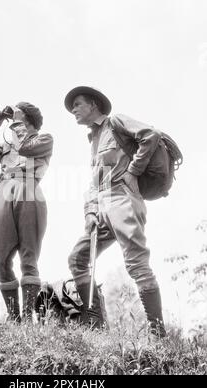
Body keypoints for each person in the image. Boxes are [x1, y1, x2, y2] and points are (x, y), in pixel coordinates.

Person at [64, 86, 166, 337]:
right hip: (103, 206)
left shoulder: (115, 123)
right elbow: (95, 181)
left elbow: (150, 135)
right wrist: (89, 211)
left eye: (77, 104)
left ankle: (158, 335)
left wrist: (133, 171)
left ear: (93, 105)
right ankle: (97, 327)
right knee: (78, 259)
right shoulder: (94, 138)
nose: (73, 110)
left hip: (123, 197)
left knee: (137, 264)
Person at [0, 102, 53, 322]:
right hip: (4, 192)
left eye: (18, 115)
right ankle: (14, 317)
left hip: (28, 188)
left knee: (29, 256)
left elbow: (27, 148)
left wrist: (17, 121)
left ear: (27, 118)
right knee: (1, 258)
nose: (13, 119)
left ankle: (27, 318)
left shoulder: (44, 139)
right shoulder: (8, 145)